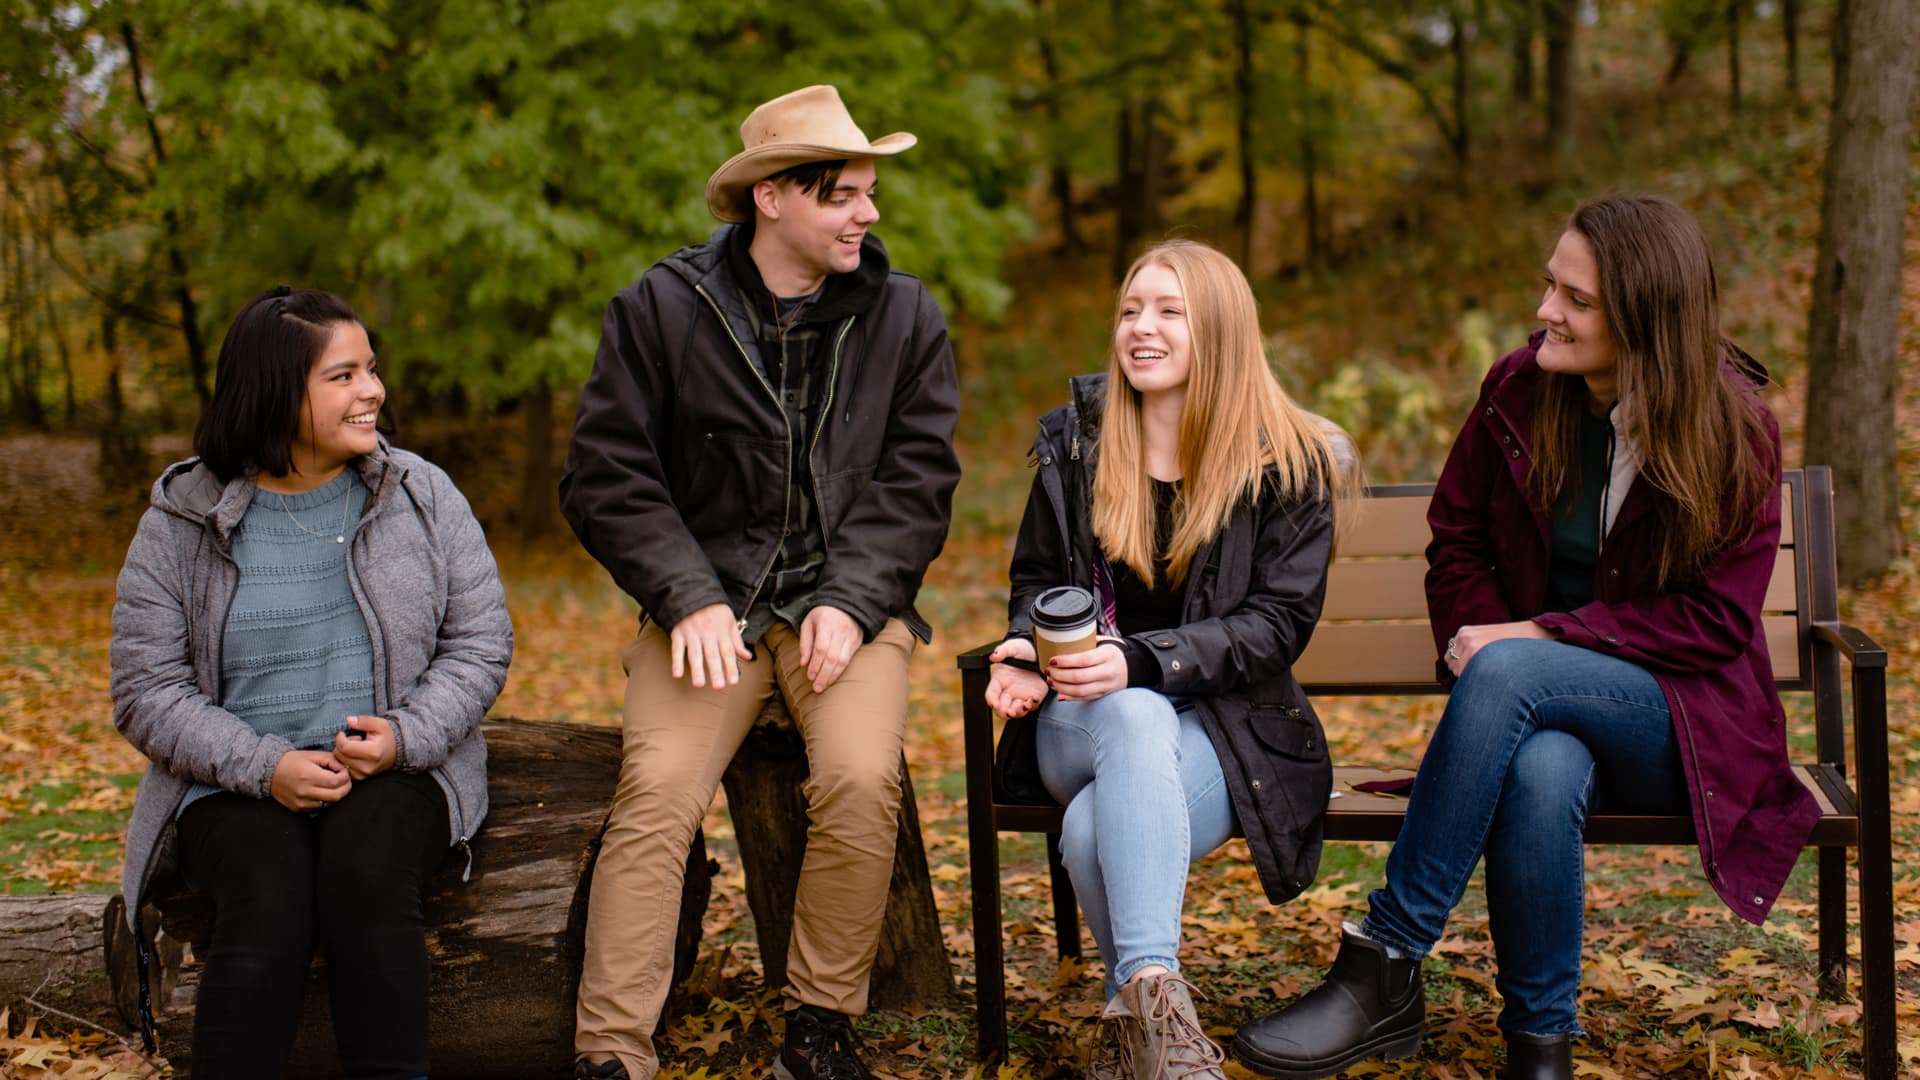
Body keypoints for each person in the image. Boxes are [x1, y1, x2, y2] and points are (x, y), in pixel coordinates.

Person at [1232, 196, 1819, 1080]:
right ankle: (1540, 1050)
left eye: (1576, 300)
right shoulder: (1519, 388)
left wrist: (1532, 635)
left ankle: (1385, 959)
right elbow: (1458, 535)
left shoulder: (1732, 433)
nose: (1547, 310)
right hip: (1541, 711)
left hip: (1681, 720)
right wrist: (1481, 634)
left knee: (1513, 673)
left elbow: (1715, 623)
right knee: (1540, 764)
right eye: (1551, 285)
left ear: (1646, 316)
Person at [560, 84, 960, 1080]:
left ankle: (818, 1028)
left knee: (864, 782)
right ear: (772, 198)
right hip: (712, 603)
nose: (868, 214)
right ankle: (610, 1052)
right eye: (844, 194)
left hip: (845, 604)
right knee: (654, 793)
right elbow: (606, 474)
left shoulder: (904, 314)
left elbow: (919, 482)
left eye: (870, 192)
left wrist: (853, 598)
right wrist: (684, 592)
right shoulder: (659, 308)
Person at [110, 286, 513, 1079]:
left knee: (366, 877)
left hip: (399, 768)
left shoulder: (421, 495)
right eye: (343, 376)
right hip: (229, 783)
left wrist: (404, 738)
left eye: (371, 369)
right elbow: (146, 688)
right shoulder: (181, 519)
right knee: (266, 896)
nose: (373, 391)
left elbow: (479, 644)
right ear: (274, 391)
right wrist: (266, 767)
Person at [986, 240, 1357, 1079]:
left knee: (1088, 829)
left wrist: (1146, 659)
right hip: (1080, 718)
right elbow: (1039, 580)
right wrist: (1025, 648)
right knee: (1132, 708)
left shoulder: (1285, 459)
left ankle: (1138, 1029)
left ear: (1220, 330)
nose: (1140, 328)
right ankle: (1164, 1001)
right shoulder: (1077, 441)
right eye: (1130, 310)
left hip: (1229, 736)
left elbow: (1277, 624)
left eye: (1168, 311)